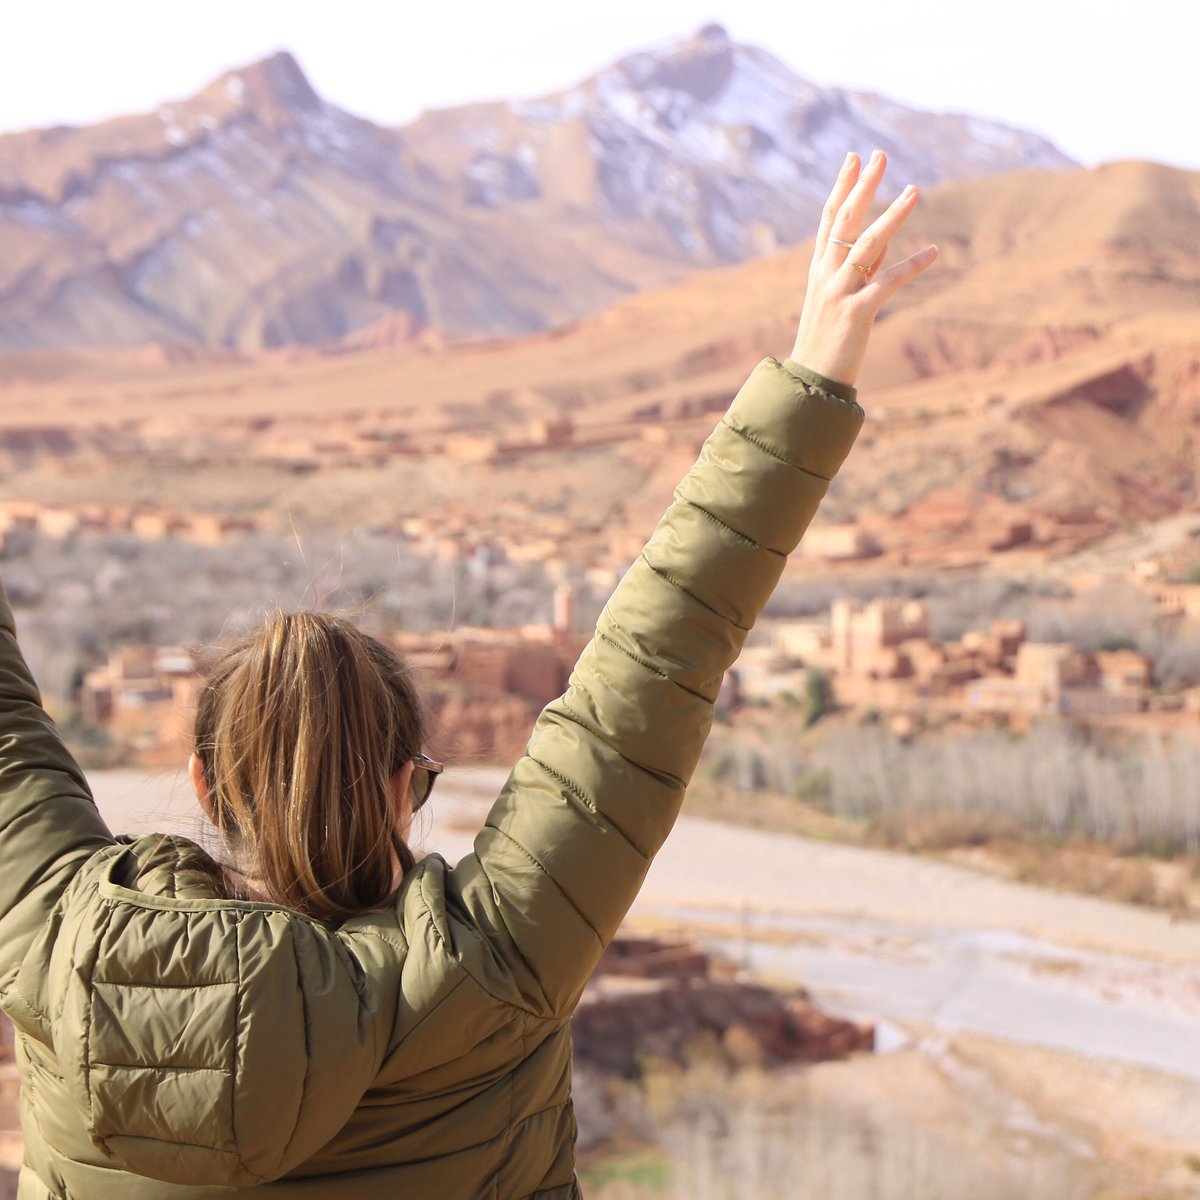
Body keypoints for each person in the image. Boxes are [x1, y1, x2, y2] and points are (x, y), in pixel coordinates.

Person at [0, 152, 936, 1199]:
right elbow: (654, 662)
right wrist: (814, 370)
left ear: (208, 785)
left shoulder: (59, 946)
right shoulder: (493, 969)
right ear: (410, 788)